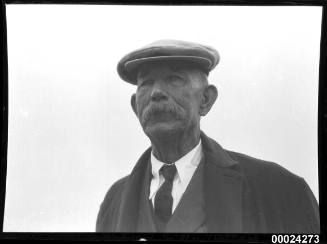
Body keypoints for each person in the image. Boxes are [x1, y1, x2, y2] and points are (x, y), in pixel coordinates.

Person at [96, 39, 320, 233]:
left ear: (205, 100)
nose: (156, 93)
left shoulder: (280, 190)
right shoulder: (113, 202)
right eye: (146, 83)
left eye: (174, 79)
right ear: (136, 107)